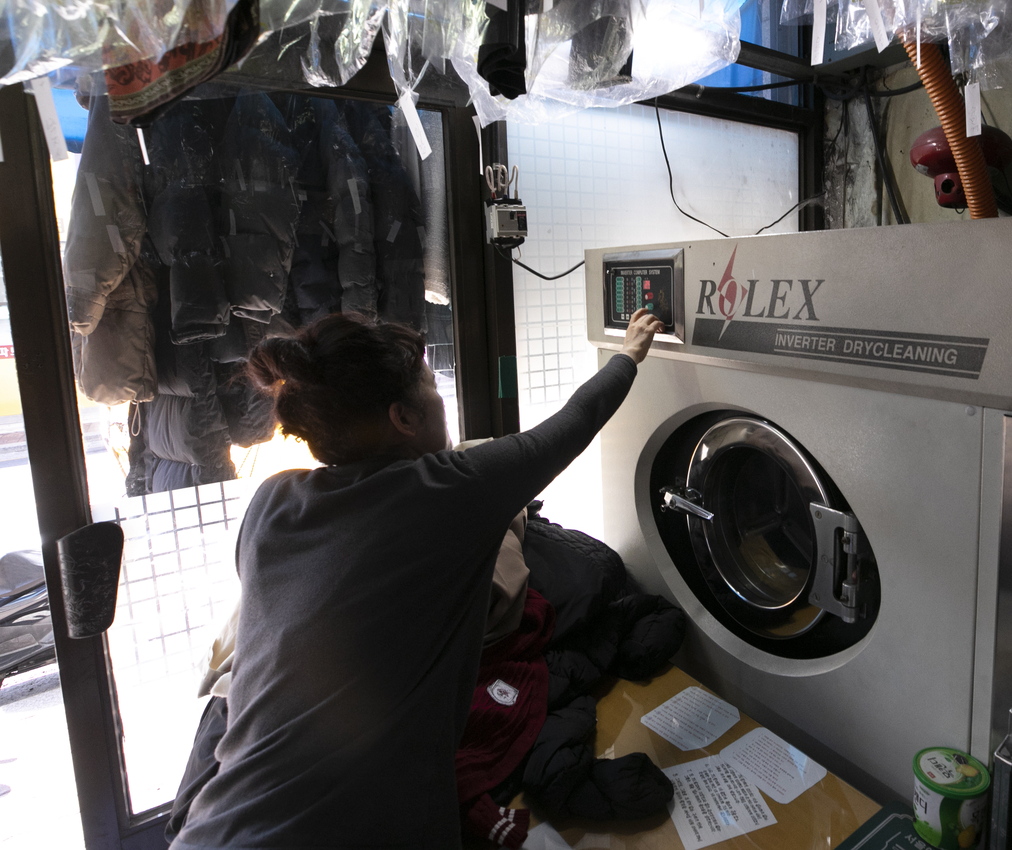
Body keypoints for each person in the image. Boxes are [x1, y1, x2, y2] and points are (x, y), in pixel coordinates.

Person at [170, 307, 664, 850]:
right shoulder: (448, 492)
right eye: (432, 385)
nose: (440, 398)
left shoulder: (271, 501)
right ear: (403, 418)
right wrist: (629, 352)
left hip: (213, 827)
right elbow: (574, 423)